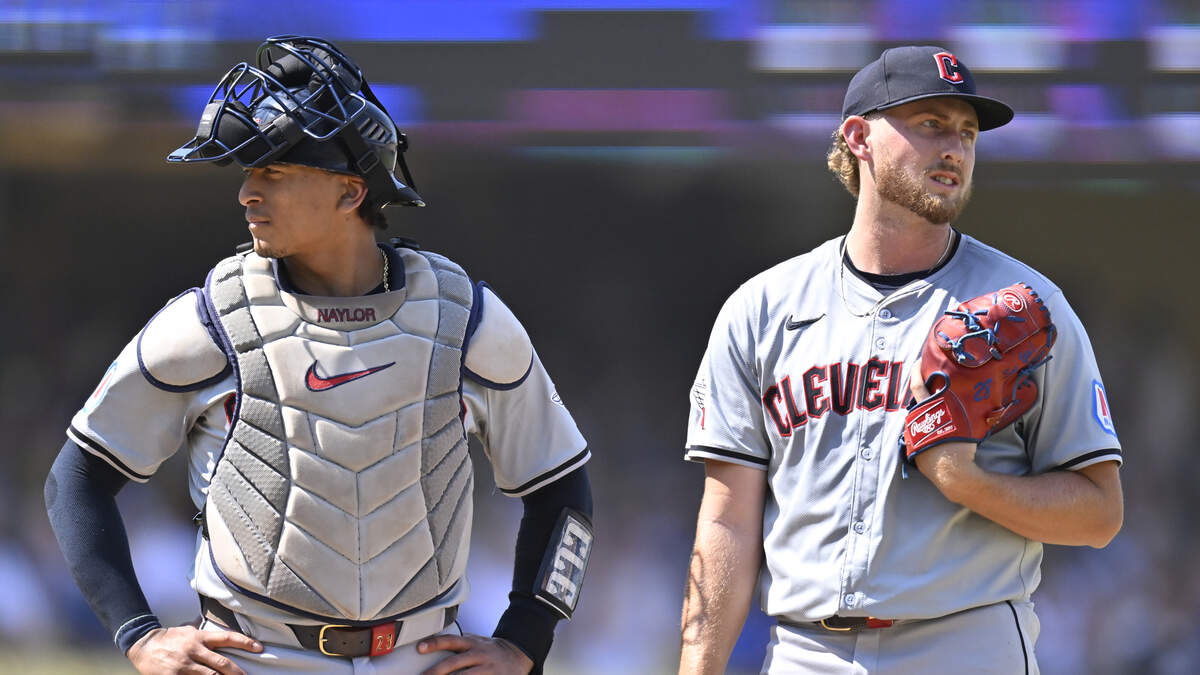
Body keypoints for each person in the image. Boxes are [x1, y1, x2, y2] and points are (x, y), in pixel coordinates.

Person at [45, 36, 593, 675]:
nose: (247, 194)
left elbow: (562, 488)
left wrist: (525, 640)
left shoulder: (466, 320)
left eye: (273, 173)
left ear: (350, 192)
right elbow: (74, 481)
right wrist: (138, 634)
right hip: (252, 658)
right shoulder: (209, 322)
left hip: (420, 657)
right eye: (248, 173)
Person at [678, 45, 1123, 674]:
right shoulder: (762, 309)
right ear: (859, 138)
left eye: (967, 133)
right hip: (805, 651)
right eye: (931, 124)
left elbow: (1099, 514)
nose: (954, 149)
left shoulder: (1025, 309)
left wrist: (969, 484)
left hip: (965, 643)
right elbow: (726, 522)